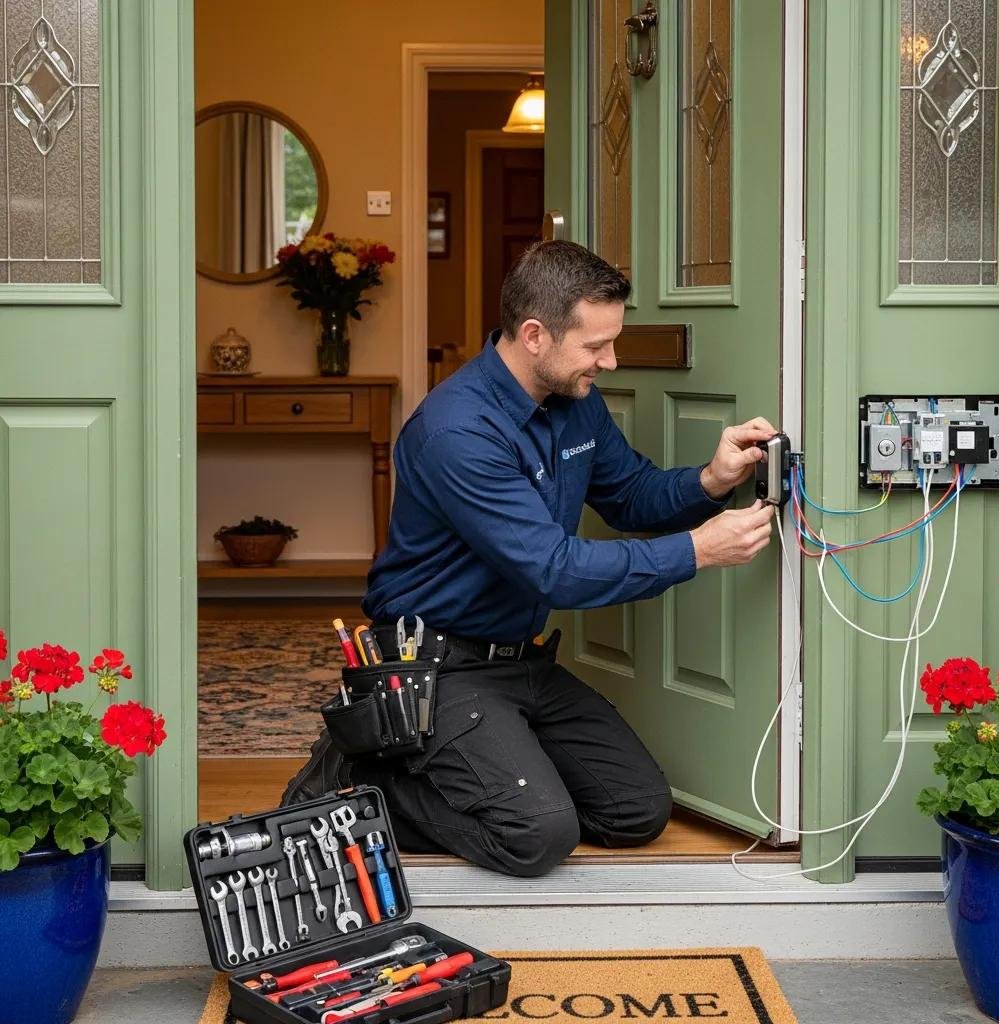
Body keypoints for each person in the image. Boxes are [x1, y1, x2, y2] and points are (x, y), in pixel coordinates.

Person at [283, 240, 777, 876]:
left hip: (521, 659)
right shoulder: (459, 431)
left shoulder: (576, 403)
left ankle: (486, 766)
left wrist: (712, 479)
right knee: (538, 833)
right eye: (596, 346)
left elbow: (630, 494)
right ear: (535, 334)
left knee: (636, 809)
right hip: (438, 667)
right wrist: (696, 550)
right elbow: (555, 570)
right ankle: (360, 783)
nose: (611, 360)